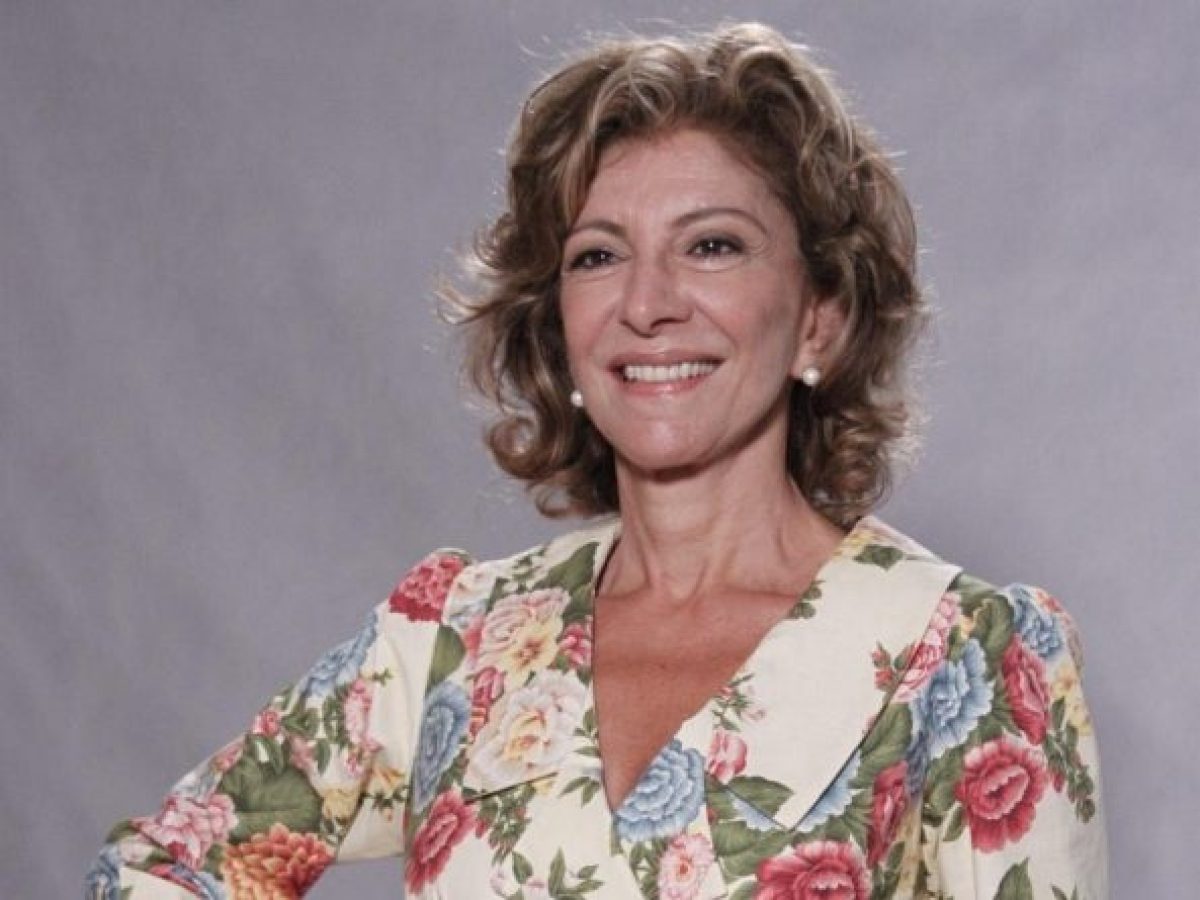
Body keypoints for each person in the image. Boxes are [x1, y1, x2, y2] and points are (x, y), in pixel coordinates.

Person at [89, 22, 1107, 899]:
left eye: (712, 245)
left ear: (820, 320)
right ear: (558, 326)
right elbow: (162, 869)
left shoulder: (969, 658)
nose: (647, 303)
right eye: (598, 255)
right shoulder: (456, 640)